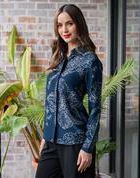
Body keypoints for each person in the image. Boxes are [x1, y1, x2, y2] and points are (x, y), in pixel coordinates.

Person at [35, 4, 103, 178]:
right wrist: (46, 135)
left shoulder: (90, 60)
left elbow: (95, 108)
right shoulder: (56, 57)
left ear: (78, 23)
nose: (64, 29)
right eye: (59, 25)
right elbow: (50, 100)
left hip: (76, 142)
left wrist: (88, 147)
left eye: (69, 23)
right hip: (51, 141)